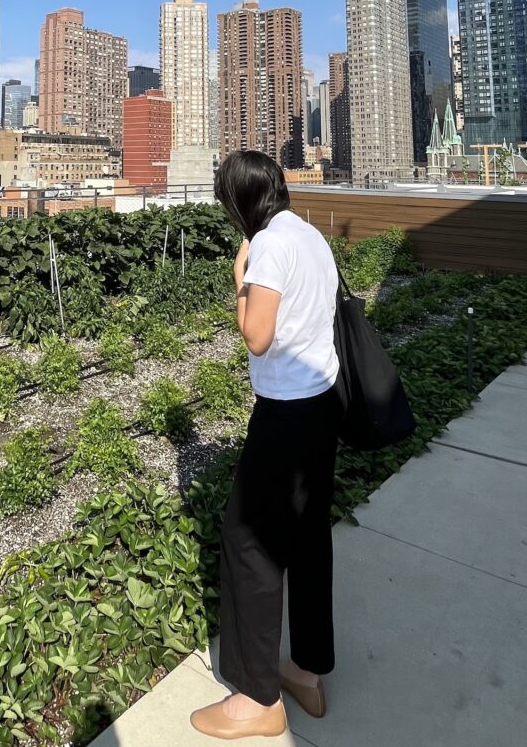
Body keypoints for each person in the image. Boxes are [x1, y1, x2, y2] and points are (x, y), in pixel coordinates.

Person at [191, 150, 341, 741]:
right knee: (307, 540)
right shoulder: (308, 235)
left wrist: (239, 284)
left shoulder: (271, 245)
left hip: (286, 415)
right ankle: (306, 670)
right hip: (323, 404)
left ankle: (258, 697)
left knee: (247, 541)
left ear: (240, 201)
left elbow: (257, 335)